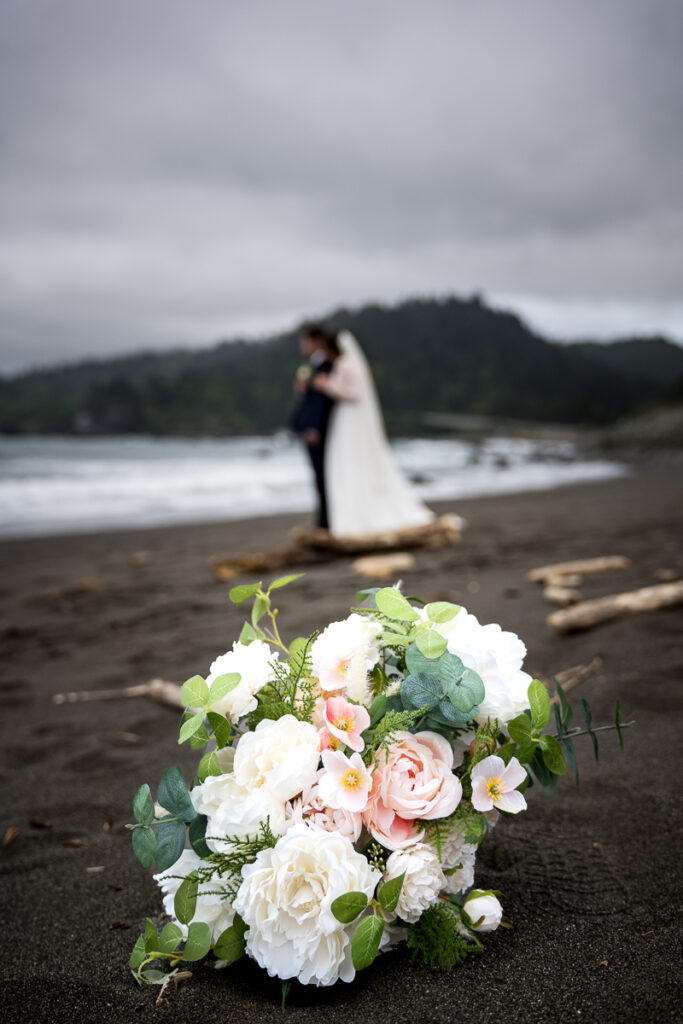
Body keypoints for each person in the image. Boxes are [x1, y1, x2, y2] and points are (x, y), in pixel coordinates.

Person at [312, 329, 435, 537]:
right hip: (345, 419)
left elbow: (356, 393)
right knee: (347, 464)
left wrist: (329, 385)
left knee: (351, 463)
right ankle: (347, 518)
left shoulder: (346, 364)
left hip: (350, 418)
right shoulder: (347, 363)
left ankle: (356, 519)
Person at [291, 325, 336, 530]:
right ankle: (324, 520)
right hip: (314, 430)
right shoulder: (314, 366)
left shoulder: (325, 366)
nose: (302, 346)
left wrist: (313, 427)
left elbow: (320, 402)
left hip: (320, 431)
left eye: (304, 342)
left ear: (316, 342)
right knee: (320, 476)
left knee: (323, 476)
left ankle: (326, 522)